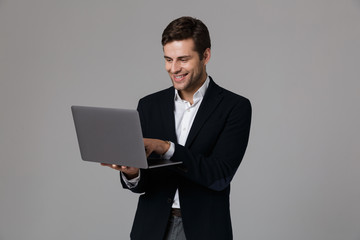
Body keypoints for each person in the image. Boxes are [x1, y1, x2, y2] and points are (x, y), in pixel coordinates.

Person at [101, 16, 251, 240]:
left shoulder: (234, 107)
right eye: (168, 59)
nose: (174, 68)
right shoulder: (149, 105)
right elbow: (144, 183)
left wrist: (166, 147)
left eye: (182, 59)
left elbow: (219, 176)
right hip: (150, 229)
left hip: (204, 231)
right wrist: (131, 172)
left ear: (206, 56)